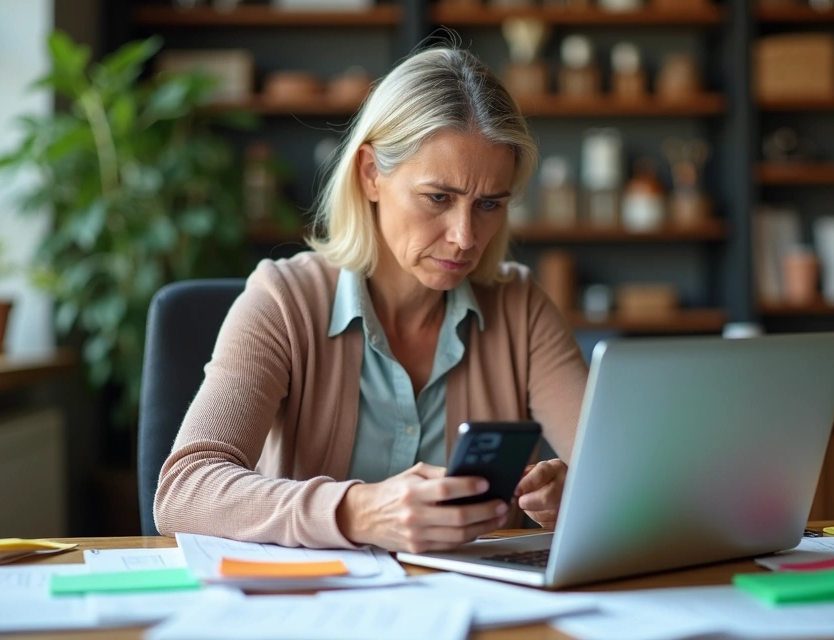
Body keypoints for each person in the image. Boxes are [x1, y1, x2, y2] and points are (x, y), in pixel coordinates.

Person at [154, 47, 588, 553]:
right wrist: (359, 512)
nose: (466, 237)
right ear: (370, 174)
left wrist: (577, 493)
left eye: (489, 204)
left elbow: (627, 477)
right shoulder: (283, 300)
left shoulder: (521, 307)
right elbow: (184, 489)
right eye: (439, 198)